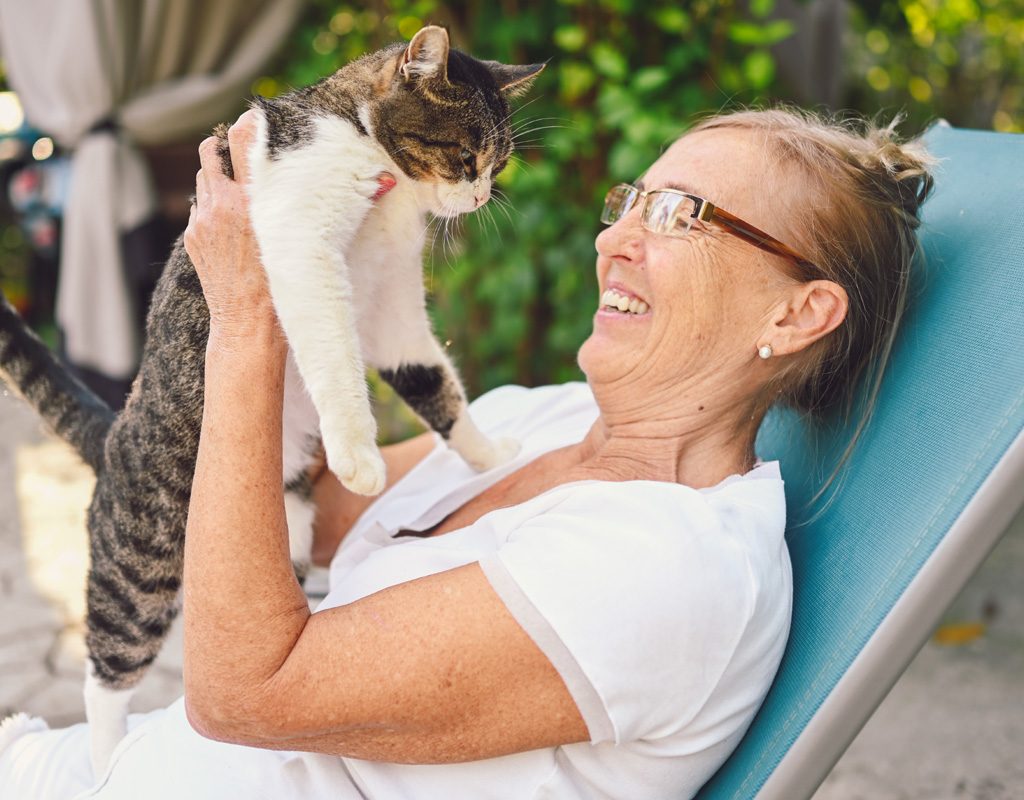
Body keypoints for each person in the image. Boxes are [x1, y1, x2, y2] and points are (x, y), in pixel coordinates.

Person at [0, 106, 933, 799]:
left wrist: (247, 320)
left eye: (681, 214)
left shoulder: (669, 566)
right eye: (630, 202)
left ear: (798, 312)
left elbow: (242, 689)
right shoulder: (555, 418)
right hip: (118, 765)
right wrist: (308, 272)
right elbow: (311, 510)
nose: (614, 240)